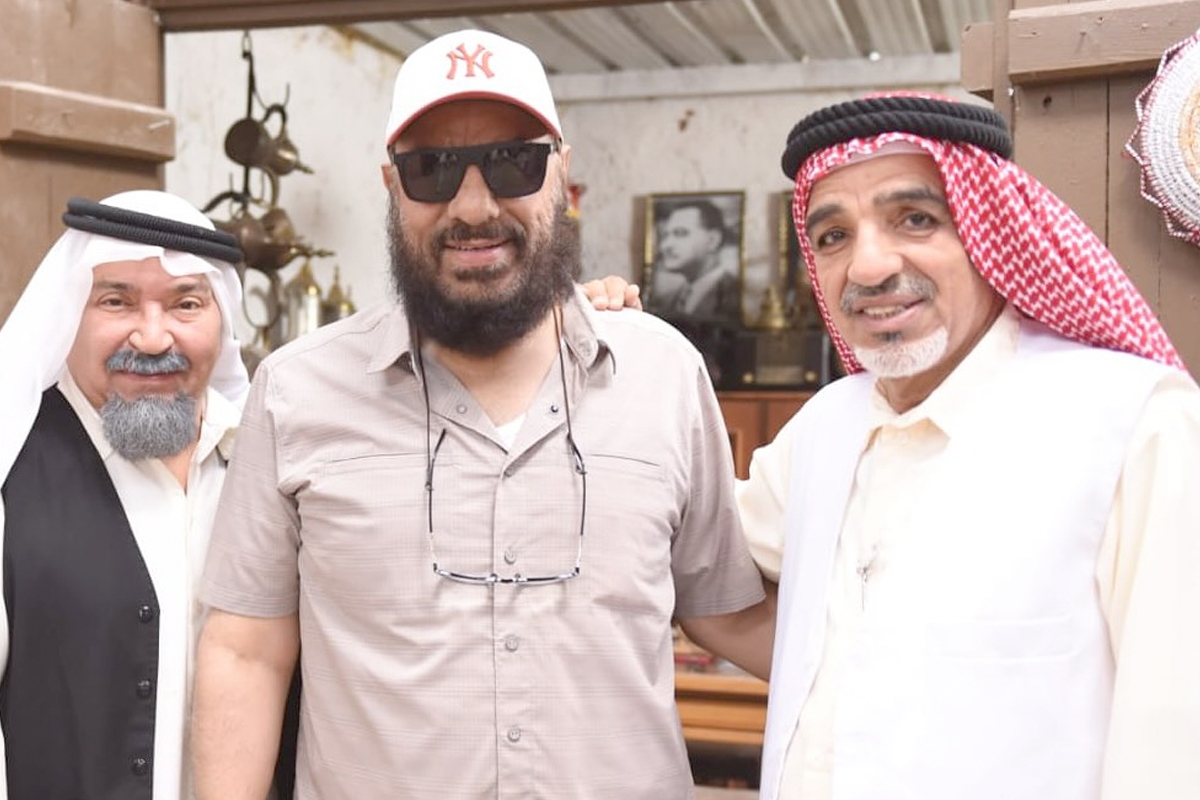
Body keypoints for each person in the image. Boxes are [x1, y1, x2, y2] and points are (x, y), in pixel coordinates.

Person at [190, 28, 774, 800]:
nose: (473, 205)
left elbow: (726, 613)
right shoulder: (296, 391)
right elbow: (247, 652)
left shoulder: (663, 376)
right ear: (392, 186)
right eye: (432, 169)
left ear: (561, 175)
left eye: (512, 162)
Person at [585, 92, 1200, 799]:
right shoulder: (825, 427)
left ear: (987, 232)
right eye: (833, 236)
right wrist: (603, 359)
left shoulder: (1134, 427)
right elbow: (690, 562)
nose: (868, 267)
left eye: (915, 219)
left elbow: (1173, 748)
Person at [0, 191, 250, 800]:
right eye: (116, 301)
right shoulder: (12, 467)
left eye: (186, 304)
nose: (153, 337)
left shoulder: (264, 464)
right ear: (69, 312)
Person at [649, 199, 740, 322]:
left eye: (680, 233)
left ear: (713, 240)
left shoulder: (735, 295)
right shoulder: (668, 299)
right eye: (665, 236)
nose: (665, 246)